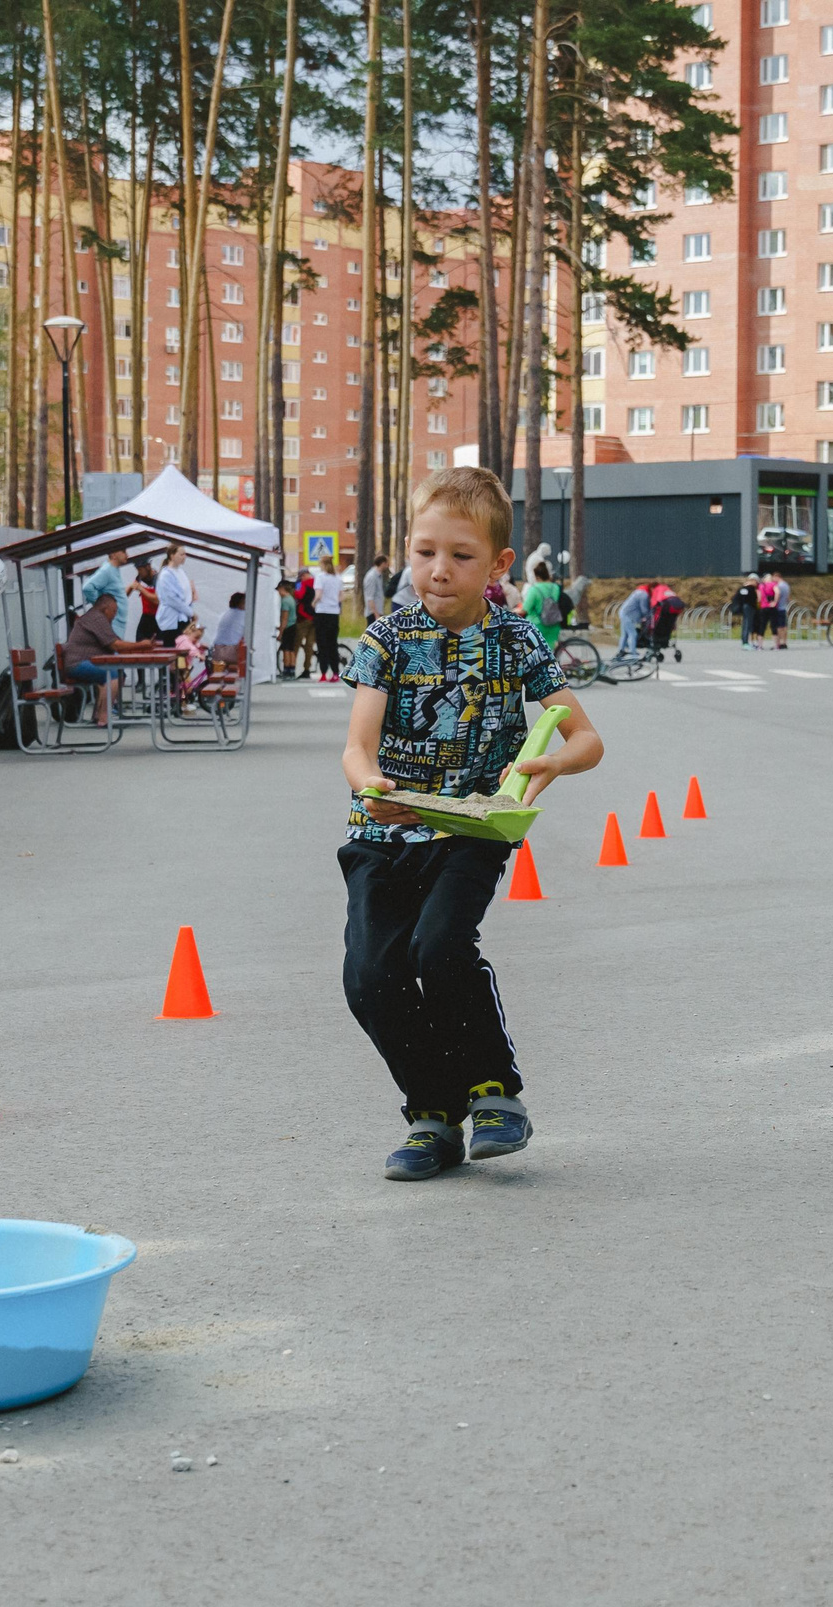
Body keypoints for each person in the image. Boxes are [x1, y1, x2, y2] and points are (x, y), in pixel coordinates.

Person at [340, 466, 604, 1182]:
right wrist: (370, 786)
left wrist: (550, 765)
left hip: (472, 831)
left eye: (461, 555)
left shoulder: (516, 640)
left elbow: (586, 739)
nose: (439, 570)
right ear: (407, 548)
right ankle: (431, 1114)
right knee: (369, 977)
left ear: (497, 564)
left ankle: (494, 1093)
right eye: (425, 551)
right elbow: (357, 746)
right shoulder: (386, 640)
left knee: (440, 948)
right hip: (386, 830)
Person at [58, 591, 128, 726]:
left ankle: (98, 714)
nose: (115, 616)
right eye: (114, 611)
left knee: (118, 673)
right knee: (113, 675)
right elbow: (115, 644)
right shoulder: (97, 618)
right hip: (76, 664)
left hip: (80, 663)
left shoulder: (96, 618)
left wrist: (137, 647)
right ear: (105, 609)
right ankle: (104, 717)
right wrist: (141, 645)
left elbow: (114, 641)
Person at [155, 547, 197, 645]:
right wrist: (190, 612)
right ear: (172, 555)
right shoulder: (166, 575)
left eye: (185, 554)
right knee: (174, 649)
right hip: (172, 621)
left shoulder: (181, 572)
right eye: (181, 554)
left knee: (184, 649)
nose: (184, 557)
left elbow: (187, 596)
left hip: (183, 618)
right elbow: (172, 599)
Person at [312, 558, 345, 681]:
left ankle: (324, 673)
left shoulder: (320, 577)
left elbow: (319, 594)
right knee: (332, 643)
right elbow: (342, 596)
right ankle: (335, 672)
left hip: (322, 611)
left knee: (322, 644)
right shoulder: (338, 578)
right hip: (334, 612)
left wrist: (314, 603)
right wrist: (335, 602)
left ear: (323, 564)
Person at [522, 560, 564, 646]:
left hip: (536, 626)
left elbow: (525, 609)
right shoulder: (555, 587)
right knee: (549, 651)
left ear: (537, 577)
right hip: (554, 624)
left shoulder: (534, 589)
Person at [649, 581, 686, 659]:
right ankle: (665, 641)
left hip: (664, 611)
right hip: (673, 611)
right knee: (669, 620)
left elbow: (654, 603)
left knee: (660, 622)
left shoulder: (657, 590)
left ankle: (656, 645)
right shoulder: (667, 589)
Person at [616, 581, 654, 656]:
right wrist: (649, 615)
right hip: (628, 615)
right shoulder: (644, 594)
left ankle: (621, 651)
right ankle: (633, 654)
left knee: (625, 635)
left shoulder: (639, 591)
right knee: (633, 634)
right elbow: (644, 609)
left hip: (623, 612)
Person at [758, 568, 790, 650]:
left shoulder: (766, 585)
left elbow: (759, 597)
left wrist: (775, 601)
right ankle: (783, 642)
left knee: (768, 626)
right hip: (782, 607)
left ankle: (762, 645)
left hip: (772, 607)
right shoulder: (786, 585)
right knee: (783, 626)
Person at [277, 575, 303, 677]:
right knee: (291, 649)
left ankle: (286, 670)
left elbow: (284, 618)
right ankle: (292, 669)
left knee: (286, 649)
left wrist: (281, 632)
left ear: (282, 589)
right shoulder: (291, 599)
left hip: (288, 627)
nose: (278, 593)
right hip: (294, 626)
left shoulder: (285, 601)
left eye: (279, 590)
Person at [729, 574, 760, 648]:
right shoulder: (749, 589)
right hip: (749, 608)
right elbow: (750, 599)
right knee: (747, 624)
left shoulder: (744, 589)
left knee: (747, 624)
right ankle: (745, 642)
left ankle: (746, 642)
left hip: (747, 608)